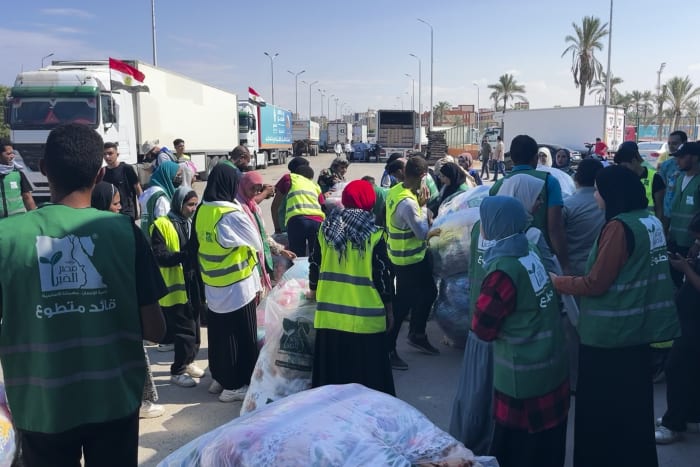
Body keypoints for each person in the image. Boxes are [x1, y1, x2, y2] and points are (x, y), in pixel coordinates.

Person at [0, 123, 166, 466]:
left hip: (40, 405)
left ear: (44, 169)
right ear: (101, 174)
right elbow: (155, 329)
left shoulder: (6, 236)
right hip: (114, 401)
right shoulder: (125, 233)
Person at [551, 165, 679, 467]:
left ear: (612, 194)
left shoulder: (619, 228)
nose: (596, 196)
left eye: (598, 190)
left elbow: (596, 282)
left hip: (608, 336)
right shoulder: (649, 220)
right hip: (639, 331)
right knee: (633, 407)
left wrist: (556, 281)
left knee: (601, 410)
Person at [471, 196, 569, 467]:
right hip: (551, 370)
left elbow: (483, 328)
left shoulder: (503, 270)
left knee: (519, 453)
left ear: (494, 224)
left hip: (522, 381)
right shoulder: (530, 251)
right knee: (547, 450)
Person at [308, 180, 396, 395]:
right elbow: (383, 279)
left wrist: (313, 290)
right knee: (367, 388)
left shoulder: (326, 231)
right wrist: (390, 309)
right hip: (365, 323)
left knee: (332, 388)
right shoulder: (374, 235)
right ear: (370, 203)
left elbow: (314, 266)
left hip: (329, 320)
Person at [91, 180, 164, 419]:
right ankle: (141, 402)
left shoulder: (84, 233)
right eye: (116, 204)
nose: (120, 209)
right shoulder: (125, 232)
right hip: (123, 315)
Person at [193, 163, 261, 402]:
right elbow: (256, 242)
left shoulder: (203, 210)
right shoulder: (230, 214)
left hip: (213, 283)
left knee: (219, 334)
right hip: (236, 284)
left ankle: (220, 378)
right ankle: (235, 385)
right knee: (242, 335)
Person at [385, 156, 439, 370]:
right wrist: (424, 208)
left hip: (406, 256)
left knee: (428, 293)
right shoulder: (408, 203)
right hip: (408, 259)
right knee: (402, 305)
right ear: (422, 177)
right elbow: (422, 233)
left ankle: (417, 334)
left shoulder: (396, 190)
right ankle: (389, 348)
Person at [151, 187, 206, 388]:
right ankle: (178, 370)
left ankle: (189, 361)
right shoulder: (162, 224)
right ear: (178, 204)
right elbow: (160, 256)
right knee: (185, 331)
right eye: (189, 205)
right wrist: (184, 255)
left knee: (195, 327)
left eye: (195, 204)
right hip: (175, 287)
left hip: (192, 283)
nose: (193, 209)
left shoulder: (190, 223)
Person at [490, 134, 569, 272]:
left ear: (512, 159)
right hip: (541, 257)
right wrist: (565, 264)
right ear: (535, 158)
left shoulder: (498, 186)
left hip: (506, 258)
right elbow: (554, 228)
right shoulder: (549, 182)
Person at [655, 210, 700, 444]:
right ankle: (691, 416)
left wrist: (686, 269)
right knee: (692, 369)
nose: (696, 243)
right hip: (689, 316)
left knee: (676, 368)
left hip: (694, 323)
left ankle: (673, 425)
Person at [237, 170, 296, 293]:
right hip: (245, 264)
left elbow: (262, 234)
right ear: (242, 187)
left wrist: (280, 250)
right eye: (251, 189)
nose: (254, 193)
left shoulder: (253, 207)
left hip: (257, 260)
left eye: (257, 189)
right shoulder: (239, 209)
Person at [271, 163, 325, 257]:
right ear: (310, 177)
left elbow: (275, 205)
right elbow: (323, 205)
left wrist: (277, 229)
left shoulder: (289, 177)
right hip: (317, 222)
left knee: (297, 256)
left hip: (297, 221)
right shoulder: (315, 185)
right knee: (317, 257)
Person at [667, 142, 700, 287]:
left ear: (695, 158)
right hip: (675, 242)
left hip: (691, 245)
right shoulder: (679, 178)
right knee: (675, 281)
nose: (677, 160)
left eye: (681, 157)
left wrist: (698, 244)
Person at [614, 141, 666, 221]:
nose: (624, 170)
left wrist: (658, 227)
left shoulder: (655, 178)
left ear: (634, 161)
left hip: (650, 224)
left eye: (625, 166)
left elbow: (660, 208)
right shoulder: (624, 177)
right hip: (630, 223)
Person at [139, 160, 183, 241]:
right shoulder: (161, 197)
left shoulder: (148, 191)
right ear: (168, 175)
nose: (180, 178)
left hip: (146, 236)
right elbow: (165, 221)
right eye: (178, 175)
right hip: (158, 240)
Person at [270, 156, 312, 234]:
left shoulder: (304, 181)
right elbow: (275, 207)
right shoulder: (287, 180)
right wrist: (277, 229)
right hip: (286, 227)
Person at [103, 142, 142, 221]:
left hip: (127, 212)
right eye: (104, 154)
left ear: (117, 154)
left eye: (110, 153)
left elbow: (138, 188)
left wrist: (143, 208)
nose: (107, 157)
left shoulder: (127, 169)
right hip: (110, 214)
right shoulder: (103, 172)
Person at [0, 138, 36, 217]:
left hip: (17, 221)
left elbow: (27, 197)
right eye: (8, 154)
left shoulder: (18, 174)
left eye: (13, 153)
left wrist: (35, 217)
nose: (12, 156)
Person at [658, 130, 687, 227]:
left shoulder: (692, 166)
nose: (671, 146)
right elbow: (662, 189)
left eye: (674, 143)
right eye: (669, 143)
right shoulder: (666, 165)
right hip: (667, 213)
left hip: (685, 214)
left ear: (684, 144)